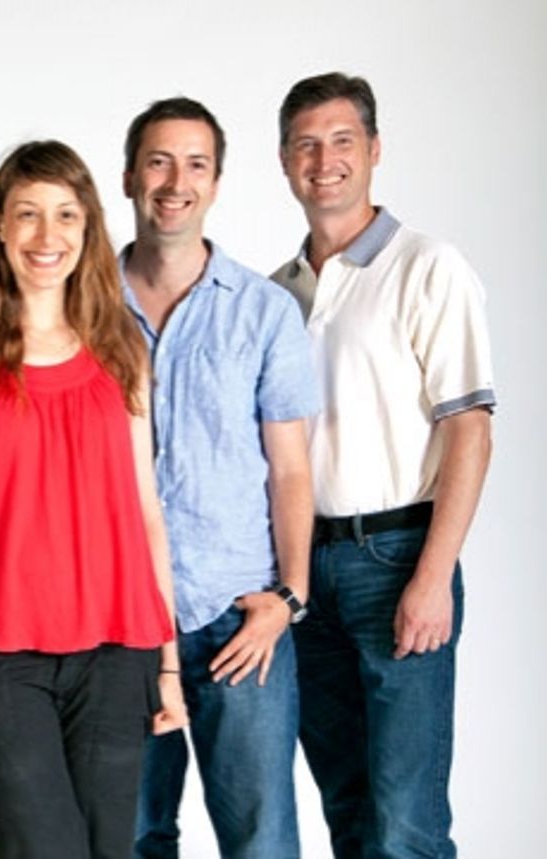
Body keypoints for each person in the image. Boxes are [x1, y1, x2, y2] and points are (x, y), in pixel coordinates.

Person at [0, 140, 187, 859]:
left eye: (65, 214)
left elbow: (145, 509)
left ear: (88, 227)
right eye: (27, 214)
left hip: (114, 649)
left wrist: (168, 664)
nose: (46, 235)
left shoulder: (121, 346)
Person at [272, 72, 495, 859]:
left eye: (341, 141)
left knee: (407, 821)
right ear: (283, 160)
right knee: (349, 808)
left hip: (397, 559)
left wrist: (434, 575)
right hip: (304, 574)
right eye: (305, 143)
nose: (323, 160)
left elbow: (470, 427)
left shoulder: (428, 267)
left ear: (373, 151)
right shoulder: (275, 296)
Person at [120, 98, 318, 859]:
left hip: (244, 620)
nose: (176, 181)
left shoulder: (264, 312)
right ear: (131, 174)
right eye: (160, 161)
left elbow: (291, 468)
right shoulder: (82, 304)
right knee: (132, 835)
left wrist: (289, 597)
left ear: (217, 180)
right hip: (124, 620)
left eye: (195, 163)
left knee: (261, 838)